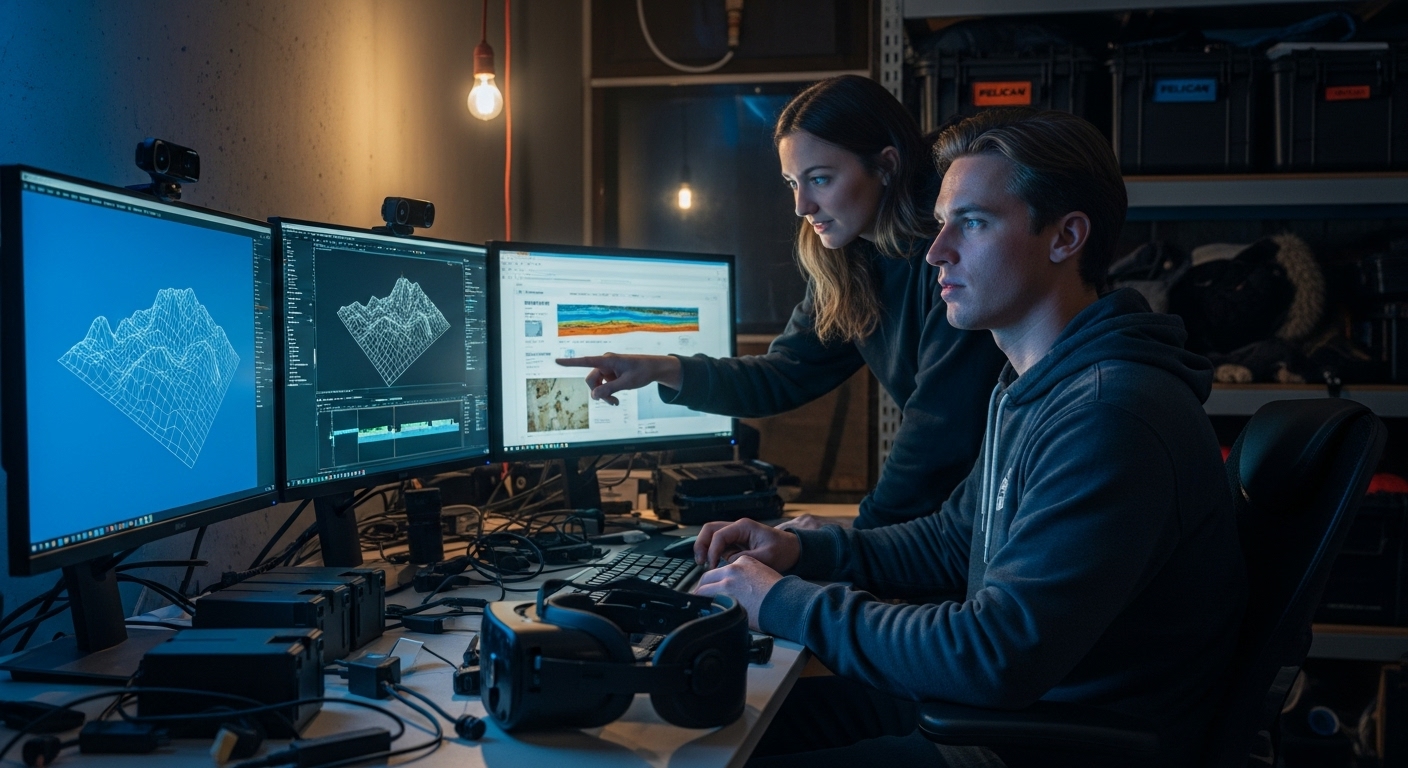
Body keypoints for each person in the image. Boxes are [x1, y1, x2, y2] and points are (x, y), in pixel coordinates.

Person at [691, 108, 1249, 768]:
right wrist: (801, 551)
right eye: (941, 223)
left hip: (1041, 740)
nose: (936, 251)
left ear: (1066, 237)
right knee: (714, 724)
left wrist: (783, 602)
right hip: (1010, 714)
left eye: (974, 223)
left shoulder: (1111, 414)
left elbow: (994, 654)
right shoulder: (1035, 388)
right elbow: (956, 539)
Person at [557, 75, 1006, 531]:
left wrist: (854, 540)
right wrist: (662, 368)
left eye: (821, 179)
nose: (802, 206)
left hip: (998, 515)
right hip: (949, 519)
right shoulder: (850, 264)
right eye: (793, 182)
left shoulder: (950, 261)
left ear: (886, 165)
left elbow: (939, 429)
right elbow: (784, 373)